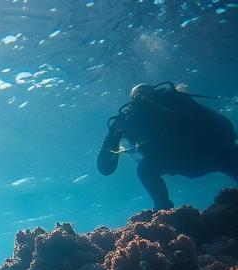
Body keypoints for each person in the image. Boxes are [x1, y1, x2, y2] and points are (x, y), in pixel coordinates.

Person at [97, 82, 238, 210]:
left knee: (145, 169)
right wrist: (113, 136)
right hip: (199, 157)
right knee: (145, 169)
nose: (144, 98)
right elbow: (105, 168)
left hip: (209, 151)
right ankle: (162, 208)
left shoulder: (175, 101)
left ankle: (162, 208)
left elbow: (218, 126)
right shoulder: (132, 117)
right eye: (140, 96)